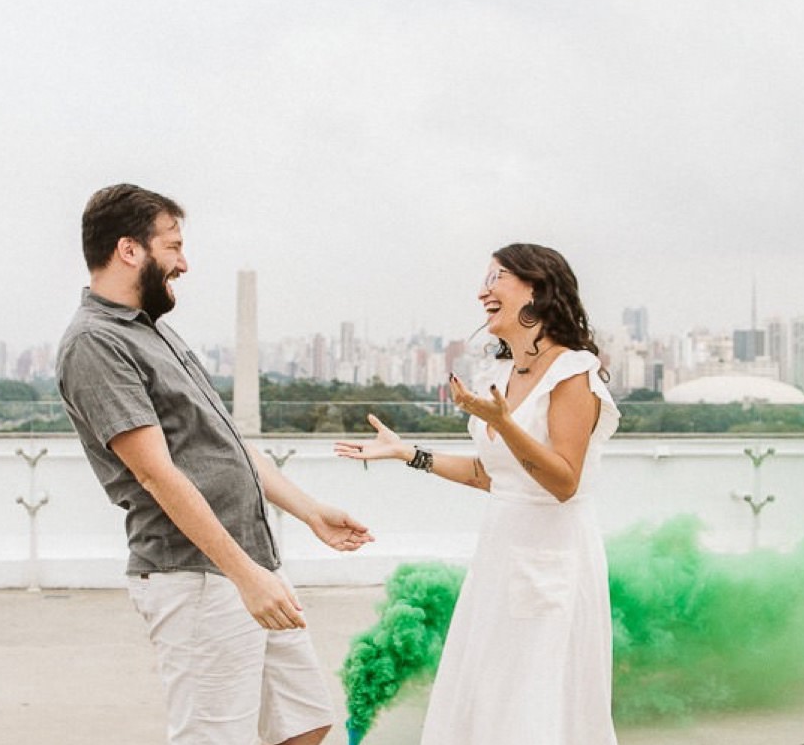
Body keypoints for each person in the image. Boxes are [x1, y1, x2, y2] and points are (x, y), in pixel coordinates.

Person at [57, 183, 373, 745]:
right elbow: (157, 474)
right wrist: (244, 575)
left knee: (305, 722)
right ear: (130, 250)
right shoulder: (96, 343)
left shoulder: (153, 331)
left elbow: (225, 444)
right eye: (173, 246)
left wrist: (308, 512)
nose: (184, 262)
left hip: (246, 565)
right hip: (197, 575)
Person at [335, 243, 621, 744]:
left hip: (552, 560)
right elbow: (492, 476)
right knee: (489, 693)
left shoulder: (573, 371)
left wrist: (505, 425)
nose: (482, 290)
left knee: (535, 698)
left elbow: (562, 481)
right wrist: (408, 453)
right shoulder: (504, 374)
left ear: (536, 288)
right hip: (500, 557)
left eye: (498, 277)